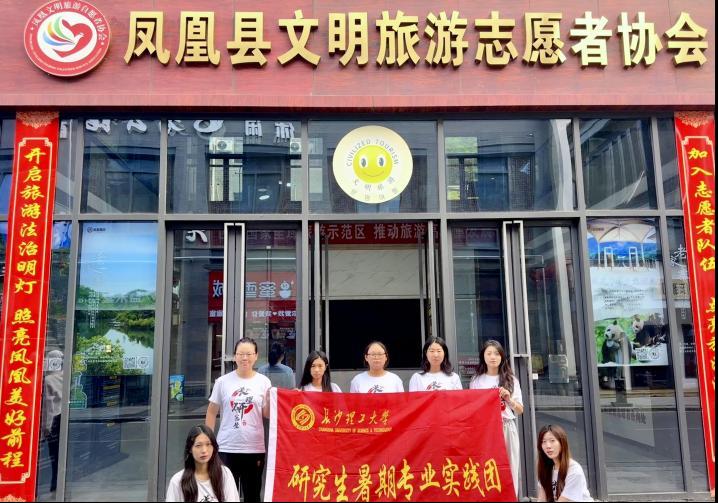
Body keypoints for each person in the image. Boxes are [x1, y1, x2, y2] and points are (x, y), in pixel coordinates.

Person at [205, 338, 271, 502]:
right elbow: (212, 411)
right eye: (241, 354)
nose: (244, 358)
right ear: (235, 356)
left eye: (249, 354)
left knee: (252, 496)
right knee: (226, 496)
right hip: (227, 448)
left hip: (254, 448)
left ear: (256, 356)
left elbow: (266, 414)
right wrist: (208, 441)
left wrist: (271, 401)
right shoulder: (222, 382)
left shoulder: (264, 382)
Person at [470, 339, 523, 499]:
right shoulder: (476, 380)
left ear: (502, 357)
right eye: (489, 353)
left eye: (496, 353)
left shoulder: (511, 380)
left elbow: (520, 410)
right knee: (486, 467)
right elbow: (473, 408)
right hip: (485, 430)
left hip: (506, 426)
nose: (493, 357)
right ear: (483, 356)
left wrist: (508, 399)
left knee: (510, 467)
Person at [166, 424, 239, 502]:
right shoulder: (177, 481)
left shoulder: (224, 474)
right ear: (190, 449)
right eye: (198, 445)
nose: (204, 450)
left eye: (208, 444)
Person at [537, 424, 592, 502]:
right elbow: (542, 499)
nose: (548, 446)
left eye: (552, 441)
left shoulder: (574, 469)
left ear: (562, 443)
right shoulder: (546, 469)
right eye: (543, 442)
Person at [42, 349, 63, 493]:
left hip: (54, 419)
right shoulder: (66, 376)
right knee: (62, 452)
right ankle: (60, 480)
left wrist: (46, 427)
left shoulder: (48, 380)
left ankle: (55, 482)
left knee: (54, 453)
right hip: (64, 417)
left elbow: (49, 407)